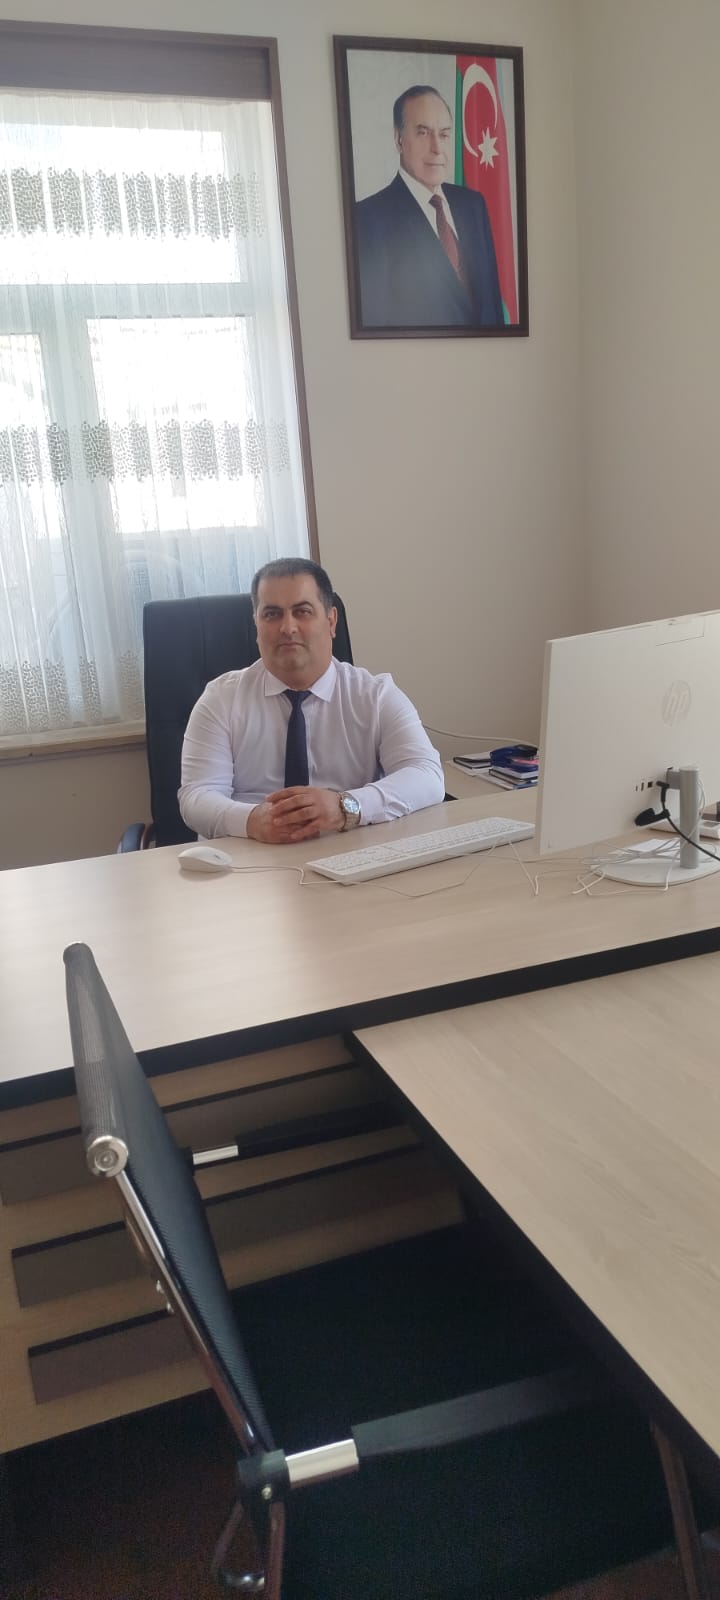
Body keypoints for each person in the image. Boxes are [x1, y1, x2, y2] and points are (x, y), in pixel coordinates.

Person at [178, 557, 444, 845]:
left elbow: (427, 775)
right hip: (247, 853)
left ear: (331, 621)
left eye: (302, 611)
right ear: (256, 624)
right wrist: (251, 820)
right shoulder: (221, 698)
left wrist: (346, 806)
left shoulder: (375, 696)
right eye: (272, 614)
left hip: (348, 854)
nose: (287, 627)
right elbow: (196, 796)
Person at [355, 85, 503, 330]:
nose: (437, 148)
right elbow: (375, 329)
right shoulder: (368, 218)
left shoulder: (473, 205)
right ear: (399, 139)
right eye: (423, 133)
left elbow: (494, 309)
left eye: (444, 135)